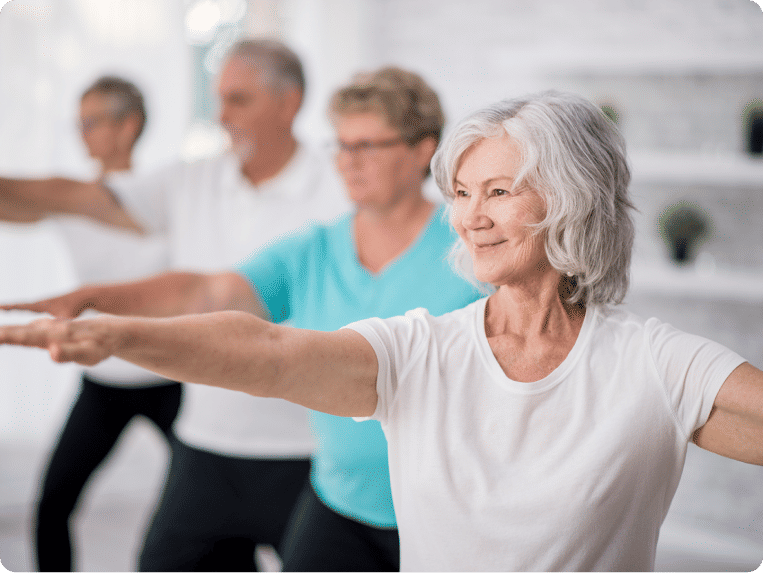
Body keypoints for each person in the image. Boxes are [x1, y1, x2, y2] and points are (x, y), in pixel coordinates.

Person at [2, 90, 761, 572]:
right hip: (332, 506)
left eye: (499, 190)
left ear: (573, 200)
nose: (470, 215)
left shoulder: (654, 363)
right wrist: (118, 332)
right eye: (462, 193)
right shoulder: (419, 348)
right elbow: (266, 351)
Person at [2, 66, 483, 572]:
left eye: (367, 146)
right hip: (340, 502)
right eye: (341, 147)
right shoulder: (315, 248)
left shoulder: (470, 250)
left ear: (422, 150)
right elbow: (210, 289)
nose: (349, 163)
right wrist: (94, 300)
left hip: (443, 509)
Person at [2, 39, 349, 571]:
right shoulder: (193, 178)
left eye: (238, 100)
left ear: (289, 102)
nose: (221, 116)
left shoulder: (340, 186)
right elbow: (79, 198)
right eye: (219, 99)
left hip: (305, 453)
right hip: (205, 447)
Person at [0, 75, 179, 572]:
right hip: (104, 379)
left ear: (129, 126)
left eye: (92, 121)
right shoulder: (69, 199)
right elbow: (15, 202)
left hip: (171, 378)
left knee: (212, 508)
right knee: (53, 504)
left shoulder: (162, 194)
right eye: (78, 122)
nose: (82, 133)